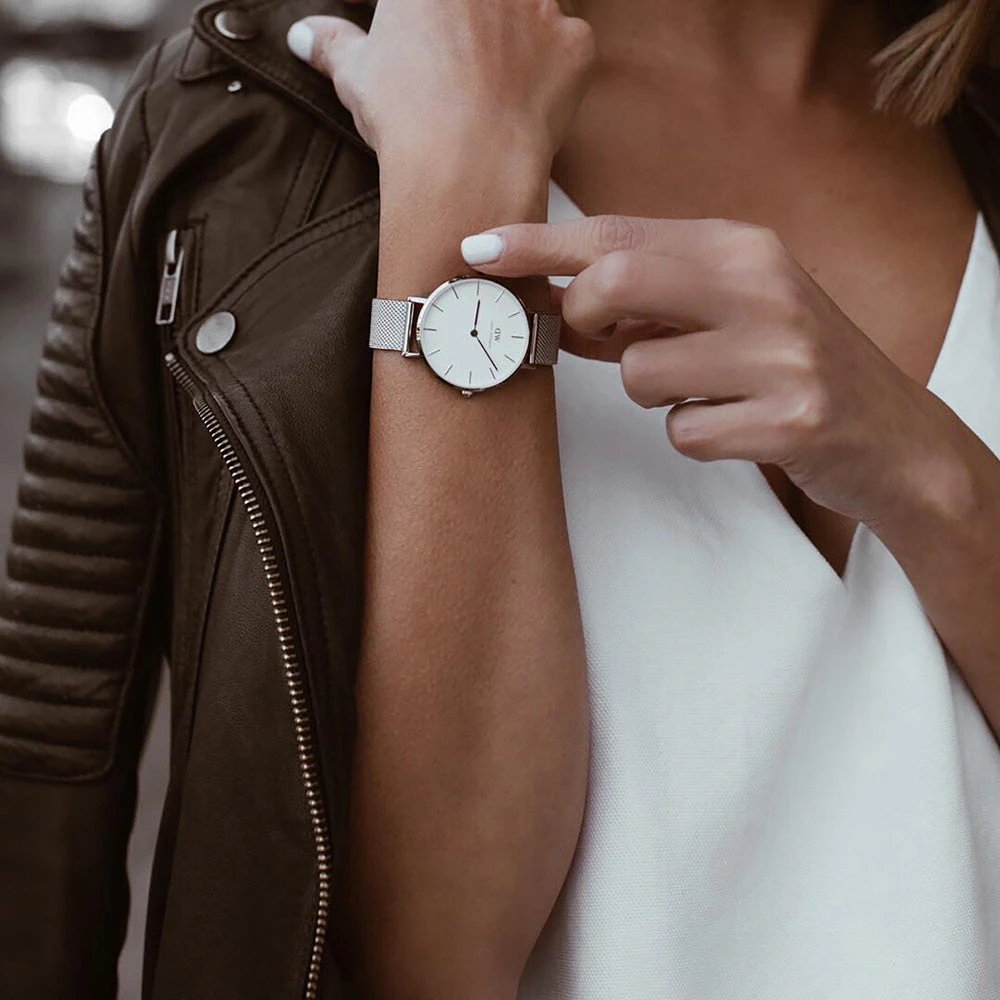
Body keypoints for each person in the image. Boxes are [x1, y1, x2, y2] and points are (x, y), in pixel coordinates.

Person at [1, 0, 999, 997]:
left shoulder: (977, 104)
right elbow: (434, 954)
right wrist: (461, 186)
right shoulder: (242, 120)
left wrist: (933, 476)